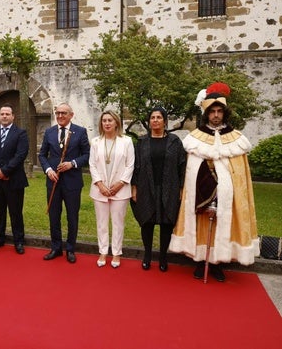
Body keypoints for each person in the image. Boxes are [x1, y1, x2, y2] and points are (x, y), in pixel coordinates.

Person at [170, 82, 259, 282]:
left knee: (223, 225)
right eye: (212, 112)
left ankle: (219, 264)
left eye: (219, 111)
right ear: (207, 114)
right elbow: (190, 170)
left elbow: (241, 175)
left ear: (224, 113)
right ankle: (202, 262)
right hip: (201, 192)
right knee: (202, 226)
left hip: (228, 195)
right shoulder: (195, 139)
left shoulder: (236, 139)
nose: (216, 115)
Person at [131, 107, 186, 272]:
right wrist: (134, 188)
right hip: (146, 187)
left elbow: (182, 165)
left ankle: (163, 256)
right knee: (147, 222)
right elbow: (136, 167)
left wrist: (181, 188)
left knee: (166, 224)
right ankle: (147, 255)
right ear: (149, 121)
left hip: (169, 187)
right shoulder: (141, 142)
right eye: (152, 117)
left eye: (159, 117)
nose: (155, 120)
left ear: (165, 121)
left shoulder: (174, 142)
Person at [38, 103, 90, 263]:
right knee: (54, 216)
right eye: (58, 113)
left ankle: (70, 249)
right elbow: (42, 155)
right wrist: (48, 170)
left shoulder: (80, 132)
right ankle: (56, 248)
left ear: (71, 115)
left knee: (72, 216)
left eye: (63, 113)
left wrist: (72, 163)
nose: (60, 116)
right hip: (53, 181)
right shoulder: (49, 132)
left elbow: (87, 155)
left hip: (72, 183)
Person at [89, 110, 134, 268]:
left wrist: (120, 183)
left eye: (110, 120)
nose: (107, 123)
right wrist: (100, 184)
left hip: (120, 189)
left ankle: (116, 253)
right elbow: (92, 165)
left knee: (118, 222)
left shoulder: (126, 141)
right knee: (101, 222)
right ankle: (102, 251)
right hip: (99, 189)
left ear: (116, 123)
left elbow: (130, 165)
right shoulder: (95, 142)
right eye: (104, 121)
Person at [0, 103, 29, 254]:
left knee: (16, 212)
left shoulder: (21, 133)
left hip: (14, 180)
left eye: (7, 114)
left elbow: (21, 155)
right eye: (2, 114)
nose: (4, 116)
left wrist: (5, 171)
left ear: (13, 116)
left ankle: (19, 241)